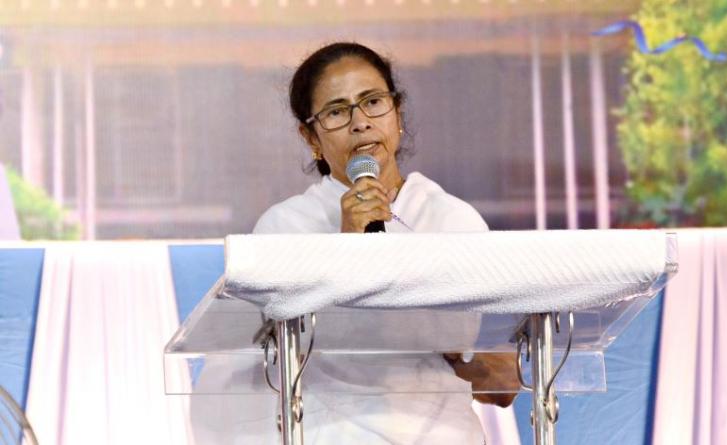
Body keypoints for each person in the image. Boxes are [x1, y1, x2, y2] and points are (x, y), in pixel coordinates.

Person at [193, 42, 517, 444]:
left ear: (397, 114)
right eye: (336, 112)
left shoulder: (450, 219)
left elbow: (497, 374)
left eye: (373, 102)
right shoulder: (286, 227)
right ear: (311, 137)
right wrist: (347, 252)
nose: (360, 122)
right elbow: (256, 360)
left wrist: (472, 358)